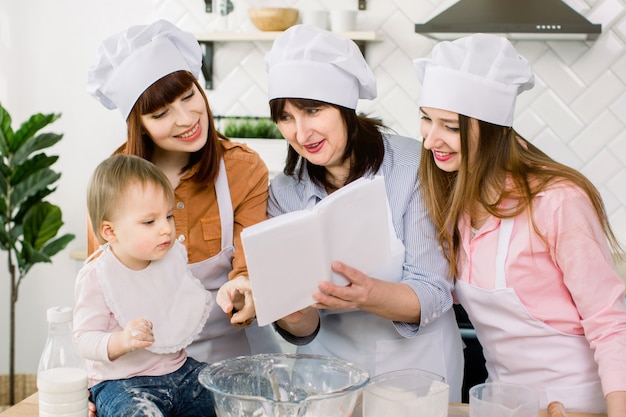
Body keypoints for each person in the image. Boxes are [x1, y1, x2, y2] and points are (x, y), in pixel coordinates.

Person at [219, 24, 464, 401]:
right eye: (286, 118)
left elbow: (432, 292)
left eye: (312, 110)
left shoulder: (413, 165)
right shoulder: (284, 193)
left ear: (346, 107)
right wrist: (288, 309)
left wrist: (366, 295)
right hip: (326, 377)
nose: (301, 133)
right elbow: (302, 327)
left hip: (418, 368)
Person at [413, 33, 626, 415]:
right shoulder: (456, 200)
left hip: (577, 407)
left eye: (449, 126)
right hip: (502, 405)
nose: (430, 140)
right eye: (426, 120)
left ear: (493, 129)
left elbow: (610, 323)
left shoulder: (558, 200)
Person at [85, 19, 280, 366]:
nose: (186, 118)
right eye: (161, 113)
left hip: (233, 362)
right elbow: (98, 293)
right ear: (139, 124)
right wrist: (95, 385)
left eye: (189, 96)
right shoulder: (110, 184)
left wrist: (246, 289)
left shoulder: (242, 169)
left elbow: (250, 264)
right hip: (144, 368)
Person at [73, 154, 215, 417]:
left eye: (169, 216)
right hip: (122, 383)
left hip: (180, 371)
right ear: (110, 231)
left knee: (222, 393)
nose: (166, 229)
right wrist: (122, 341)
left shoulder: (170, 260)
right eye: (150, 222)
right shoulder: (97, 276)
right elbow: (83, 338)